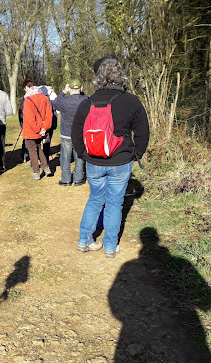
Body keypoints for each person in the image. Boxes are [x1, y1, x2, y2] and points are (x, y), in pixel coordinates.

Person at [72, 55, 150, 256]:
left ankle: (84, 240)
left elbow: (76, 132)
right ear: (121, 76)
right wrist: (136, 154)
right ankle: (110, 247)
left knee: (95, 199)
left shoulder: (87, 103)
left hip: (94, 162)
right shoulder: (132, 102)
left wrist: (83, 154)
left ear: (98, 78)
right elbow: (143, 132)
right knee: (115, 203)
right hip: (121, 161)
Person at [52, 79, 88, 186]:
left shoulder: (64, 101)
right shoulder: (85, 100)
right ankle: (78, 178)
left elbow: (55, 102)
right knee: (79, 157)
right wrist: (81, 92)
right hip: (80, 134)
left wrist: (64, 91)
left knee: (65, 158)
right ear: (81, 88)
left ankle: (66, 179)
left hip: (66, 134)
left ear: (70, 89)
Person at [21, 78, 53, 180]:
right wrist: (44, 128)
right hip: (42, 129)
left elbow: (29, 119)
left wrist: (37, 129)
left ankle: (36, 172)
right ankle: (46, 168)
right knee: (39, 149)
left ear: (27, 87)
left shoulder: (28, 100)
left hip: (32, 130)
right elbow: (49, 114)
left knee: (33, 151)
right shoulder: (44, 97)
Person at [37, 80, 58, 160]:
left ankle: (37, 158)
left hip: (39, 121)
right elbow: (57, 109)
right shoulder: (52, 93)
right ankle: (46, 157)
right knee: (47, 140)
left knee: (37, 141)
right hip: (50, 121)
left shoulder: (37, 93)